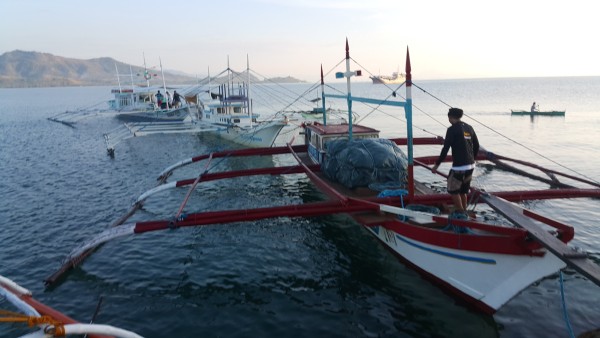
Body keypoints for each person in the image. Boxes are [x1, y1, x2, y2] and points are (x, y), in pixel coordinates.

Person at [431, 107, 479, 215]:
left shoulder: (451, 129)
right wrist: (472, 159)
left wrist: (436, 166)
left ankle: (460, 212)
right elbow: (476, 145)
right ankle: (464, 210)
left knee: (453, 190)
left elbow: (445, 149)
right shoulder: (469, 127)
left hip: (459, 167)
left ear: (450, 117)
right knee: (463, 191)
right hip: (471, 166)